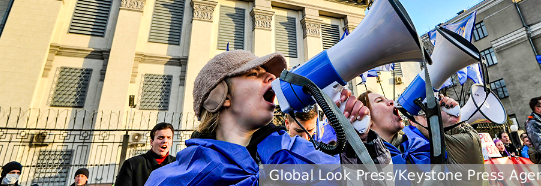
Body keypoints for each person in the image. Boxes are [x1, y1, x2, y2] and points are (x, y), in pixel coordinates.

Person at [145, 51, 373, 185]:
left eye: (270, 75)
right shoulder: (167, 178)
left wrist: (358, 142)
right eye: (254, 74)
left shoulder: (296, 153)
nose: (273, 78)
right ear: (218, 96)